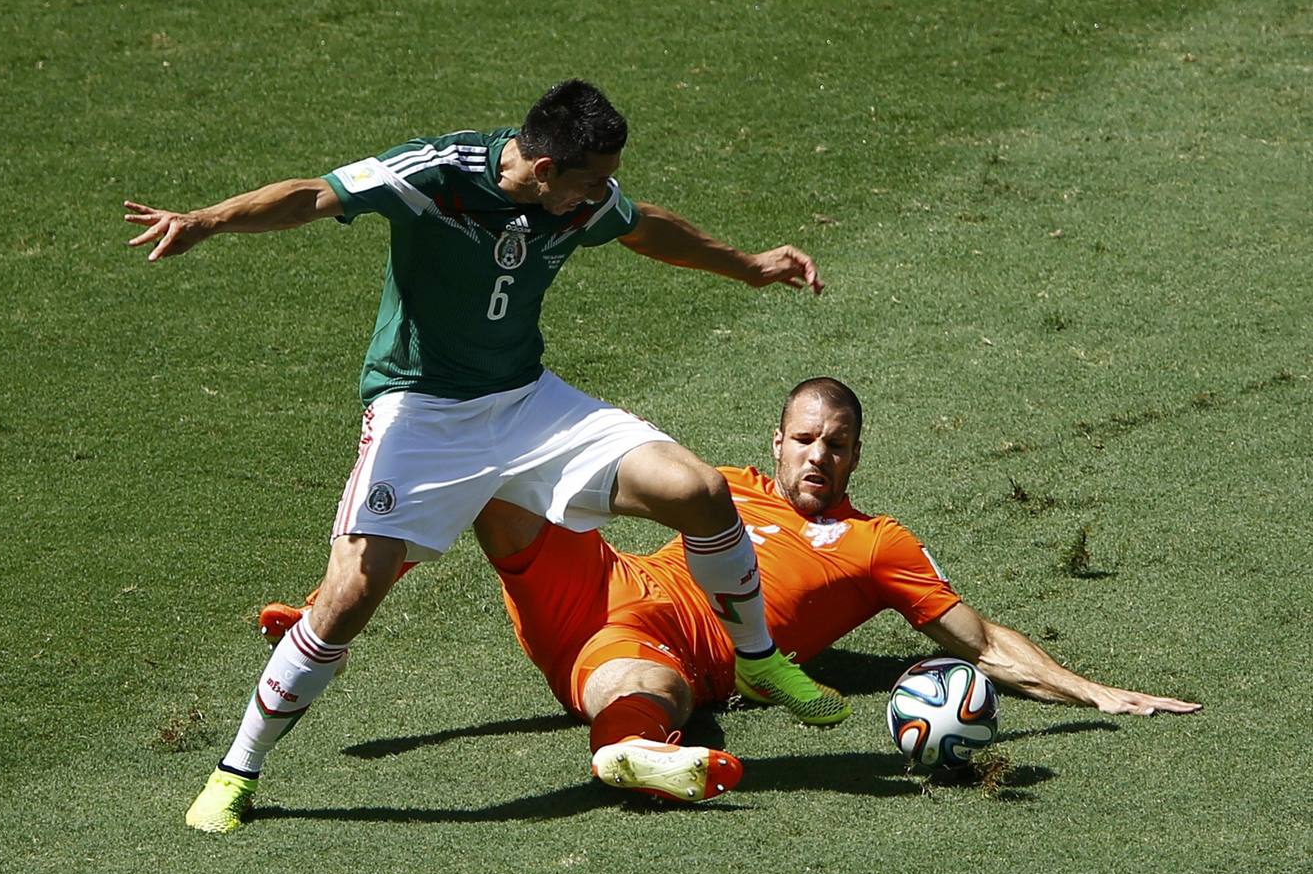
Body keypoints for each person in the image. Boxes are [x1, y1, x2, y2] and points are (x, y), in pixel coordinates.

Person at [125, 79, 846, 834]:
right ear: (541, 172)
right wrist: (205, 221)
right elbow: (313, 195)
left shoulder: (583, 194)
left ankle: (758, 660)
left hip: (526, 402)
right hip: (423, 414)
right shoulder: (433, 175)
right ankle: (237, 770)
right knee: (345, 598)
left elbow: (643, 227)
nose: (602, 194)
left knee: (698, 491)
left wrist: (747, 265)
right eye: (590, 181)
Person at [260, 377, 1201, 805]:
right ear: (779, 440)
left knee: (640, 690)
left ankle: (631, 755)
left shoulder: (878, 545)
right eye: (804, 437)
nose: (817, 455)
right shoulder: (727, 486)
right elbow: (600, 486)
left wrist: (1092, 693)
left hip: (665, 653)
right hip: (597, 580)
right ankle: (330, 609)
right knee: (497, 482)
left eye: (835, 443)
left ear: (855, 455)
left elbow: (981, 641)